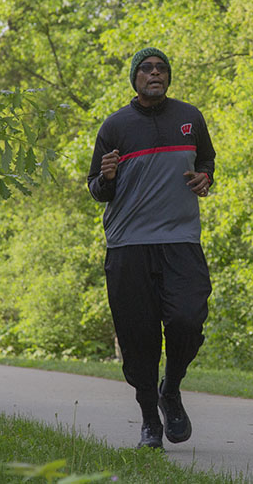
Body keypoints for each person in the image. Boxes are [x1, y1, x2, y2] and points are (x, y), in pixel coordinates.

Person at [87, 47, 215, 449]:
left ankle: (170, 390)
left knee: (188, 321)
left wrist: (206, 178)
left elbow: (207, 161)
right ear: (135, 78)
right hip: (129, 246)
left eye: (161, 68)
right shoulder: (115, 126)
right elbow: (96, 189)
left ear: (168, 76)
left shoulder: (190, 118)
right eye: (146, 69)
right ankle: (148, 419)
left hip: (180, 241)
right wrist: (106, 177)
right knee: (138, 337)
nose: (154, 73)